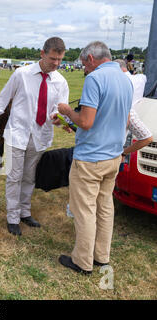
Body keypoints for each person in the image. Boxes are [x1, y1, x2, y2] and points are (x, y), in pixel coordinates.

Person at [56, 41, 133, 274]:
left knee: (85, 210)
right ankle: (101, 256)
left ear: (91, 58)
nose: (85, 70)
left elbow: (86, 122)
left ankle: (82, 261)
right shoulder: (125, 79)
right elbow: (127, 121)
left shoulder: (95, 79)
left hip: (91, 158)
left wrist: (68, 111)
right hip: (114, 155)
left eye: (84, 65)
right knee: (105, 208)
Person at [0, 37, 69, 236]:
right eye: (53, 59)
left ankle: (24, 212)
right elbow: (1, 101)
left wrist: (60, 120)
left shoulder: (61, 82)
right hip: (17, 135)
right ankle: (12, 217)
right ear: (42, 53)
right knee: (14, 177)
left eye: (59, 60)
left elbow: (60, 110)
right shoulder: (21, 74)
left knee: (29, 177)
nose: (56, 64)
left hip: (41, 136)